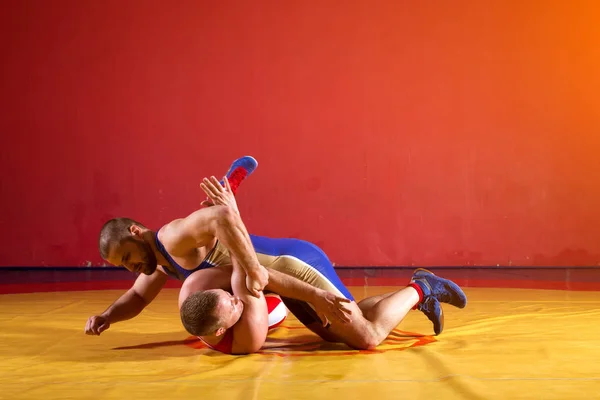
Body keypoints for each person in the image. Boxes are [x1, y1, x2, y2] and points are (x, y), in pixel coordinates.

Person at [178, 174, 467, 354]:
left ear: (201, 295)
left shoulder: (200, 286)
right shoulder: (246, 339)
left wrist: (317, 297)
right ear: (218, 331)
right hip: (277, 272)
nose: (235, 299)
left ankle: (422, 287)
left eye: (228, 296)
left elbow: (258, 272)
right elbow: (260, 278)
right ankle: (414, 299)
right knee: (339, 329)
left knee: (367, 336)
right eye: (233, 305)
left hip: (294, 264)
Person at [85, 156, 350, 336]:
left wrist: (253, 269)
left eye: (128, 256)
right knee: (333, 336)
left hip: (296, 262)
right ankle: (226, 191)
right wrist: (107, 317)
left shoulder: (172, 238)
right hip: (284, 284)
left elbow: (221, 217)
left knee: (361, 332)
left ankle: (395, 298)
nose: (132, 267)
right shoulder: (157, 263)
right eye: (124, 265)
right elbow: (137, 297)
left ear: (136, 232)